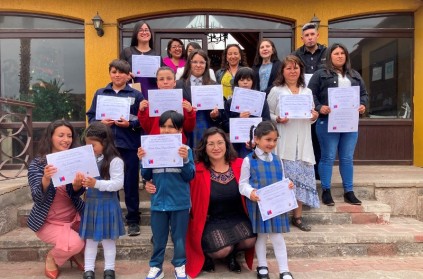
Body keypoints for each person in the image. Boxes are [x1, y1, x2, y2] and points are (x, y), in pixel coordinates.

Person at [186, 127, 256, 278]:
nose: (216, 148)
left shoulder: (240, 164)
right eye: (211, 144)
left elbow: (261, 174)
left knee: (250, 240)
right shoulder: (196, 170)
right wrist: (151, 183)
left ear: (226, 144)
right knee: (220, 250)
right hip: (210, 220)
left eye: (219, 142)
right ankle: (211, 255)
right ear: (204, 147)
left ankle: (231, 254)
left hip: (236, 216)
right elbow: (179, 186)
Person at [86, 59, 144, 236]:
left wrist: (130, 124)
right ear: (110, 73)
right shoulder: (101, 93)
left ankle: (133, 219)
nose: (117, 75)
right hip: (107, 146)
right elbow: (91, 116)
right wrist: (100, 122)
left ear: (128, 76)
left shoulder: (136, 95)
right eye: (114, 71)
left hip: (129, 145)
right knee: (110, 181)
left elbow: (143, 121)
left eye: (121, 72)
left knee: (130, 183)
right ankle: (115, 216)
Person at [308, 43, 368, 206]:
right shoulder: (320, 74)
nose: (340, 56)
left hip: (349, 124)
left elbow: (363, 94)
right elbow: (309, 94)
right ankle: (326, 191)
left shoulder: (354, 75)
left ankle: (349, 191)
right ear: (330, 56)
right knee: (327, 157)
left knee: (347, 158)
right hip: (327, 122)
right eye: (336, 53)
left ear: (346, 56)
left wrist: (362, 105)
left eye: (342, 53)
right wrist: (320, 107)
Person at [139, 110, 195, 279]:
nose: (166, 130)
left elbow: (189, 176)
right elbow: (147, 175)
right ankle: (156, 267)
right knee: (158, 237)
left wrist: (185, 160)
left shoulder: (186, 150)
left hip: (180, 202)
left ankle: (180, 265)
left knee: (179, 238)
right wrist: (143, 160)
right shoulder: (150, 147)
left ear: (179, 130)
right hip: (158, 202)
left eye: (171, 127)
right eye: (163, 126)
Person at [267, 55, 320, 232]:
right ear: (283, 71)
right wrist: (278, 119)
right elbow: (269, 115)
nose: (292, 71)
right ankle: (281, 217)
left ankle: (297, 217)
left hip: (303, 143)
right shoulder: (276, 90)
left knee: (300, 181)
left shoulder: (307, 92)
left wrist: (314, 116)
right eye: (288, 68)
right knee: (283, 181)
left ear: (301, 70)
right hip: (284, 142)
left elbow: (310, 115)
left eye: (296, 68)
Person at [27, 120, 85, 279]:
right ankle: (53, 257)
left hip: (75, 216)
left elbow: (76, 194)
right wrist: (46, 178)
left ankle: (74, 253)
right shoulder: (37, 165)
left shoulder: (74, 159)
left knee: (96, 230)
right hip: (49, 221)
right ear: (50, 137)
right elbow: (38, 198)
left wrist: (77, 185)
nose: (66, 140)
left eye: (69, 136)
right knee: (76, 244)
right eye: (61, 135)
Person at [239, 121, 295, 279]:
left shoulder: (278, 160)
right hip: (259, 206)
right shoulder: (249, 160)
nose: (272, 143)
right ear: (256, 139)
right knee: (261, 236)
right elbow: (242, 184)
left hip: (276, 205)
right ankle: (262, 266)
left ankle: (284, 269)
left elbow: (282, 179)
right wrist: (251, 193)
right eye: (268, 140)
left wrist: (288, 184)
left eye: (275, 140)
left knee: (277, 236)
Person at [75, 122, 125, 279]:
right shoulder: (87, 159)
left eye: (93, 144)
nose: (90, 148)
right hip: (91, 204)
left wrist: (96, 183)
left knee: (108, 240)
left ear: (105, 142)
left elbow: (118, 184)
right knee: (90, 240)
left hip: (108, 204)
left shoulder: (115, 161)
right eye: (87, 144)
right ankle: (88, 270)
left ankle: (109, 270)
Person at [292, 22, 327, 180]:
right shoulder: (296, 55)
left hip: (322, 100)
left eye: (312, 34)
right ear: (302, 38)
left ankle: (320, 172)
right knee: (307, 136)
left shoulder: (328, 52)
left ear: (317, 35)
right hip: (301, 100)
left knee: (321, 138)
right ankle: (308, 170)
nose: (310, 38)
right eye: (306, 35)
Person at [176, 49, 224, 148]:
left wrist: (216, 115)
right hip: (186, 128)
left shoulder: (214, 85)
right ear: (189, 63)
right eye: (195, 62)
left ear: (206, 64)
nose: (198, 65)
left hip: (207, 126)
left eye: (202, 62)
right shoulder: (179, 84)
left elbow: (221, 112)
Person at [138, 66, 196, 144]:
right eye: (161, 79)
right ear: (157, 83)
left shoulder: (183, 103)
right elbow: (147, 128)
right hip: (156, 143)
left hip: (177, 145)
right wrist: (141, 111)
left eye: (169, 79)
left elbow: (189, 128)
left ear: (175, 82)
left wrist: (190, 112)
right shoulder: (149, 103)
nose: (165, 82)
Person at [222, 67, 271, 157]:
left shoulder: (261, 100)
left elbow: (267, 121)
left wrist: (253, 119)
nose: (245, 82)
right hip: (236, 145)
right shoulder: (230, 102)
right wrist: (239, 118)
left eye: (248, 80)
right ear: (237, 82)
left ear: (253, 82)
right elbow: (224, 126)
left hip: (257, 143)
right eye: (242, 79)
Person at [120, 20, 158, 99]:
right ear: (135, 33)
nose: (144, 32)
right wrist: (126, 76)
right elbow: (119, 72)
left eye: (146, 30)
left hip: (151, 91)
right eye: (140, 30)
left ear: (150, 33)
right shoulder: (127, 52)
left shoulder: (156, 54)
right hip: (132, 90)